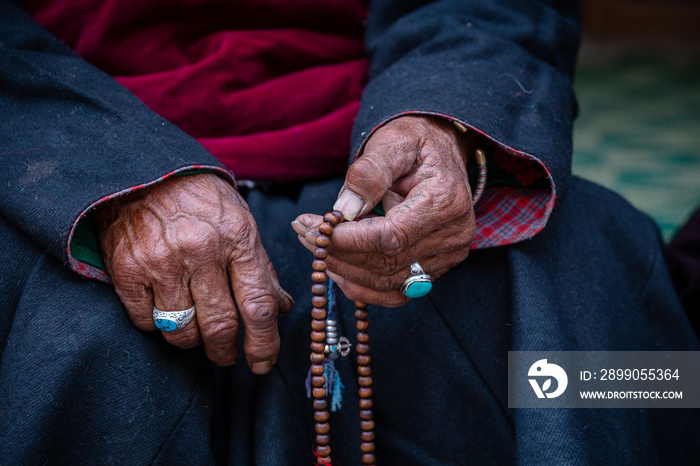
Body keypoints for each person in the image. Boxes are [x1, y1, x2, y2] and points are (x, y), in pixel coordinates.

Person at [1, 0, 698, 464]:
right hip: (63, 140)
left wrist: (449, 113)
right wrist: (118, 174)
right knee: (70, 347)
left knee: (617, 353)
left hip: (399, 124)